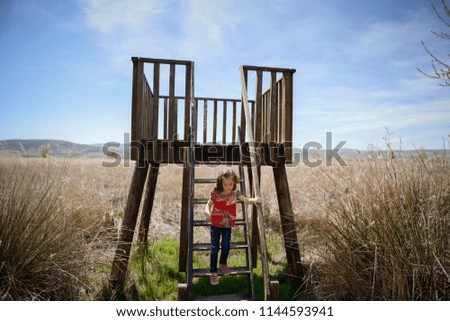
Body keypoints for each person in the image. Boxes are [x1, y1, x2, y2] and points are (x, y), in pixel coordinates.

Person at [204, 168, 260, 285]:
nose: (228, 187)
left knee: (226, 246)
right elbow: (207, 205)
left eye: (231, 184)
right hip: (215, 224)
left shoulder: (235, 193)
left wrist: (254, 200)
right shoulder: (215, 193)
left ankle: (223, 263)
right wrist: (207, 212)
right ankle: (213, 272)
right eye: (225, 184)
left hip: (227, 225)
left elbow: (246, 200)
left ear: (234, 183)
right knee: (214, 248)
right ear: (221, 183)